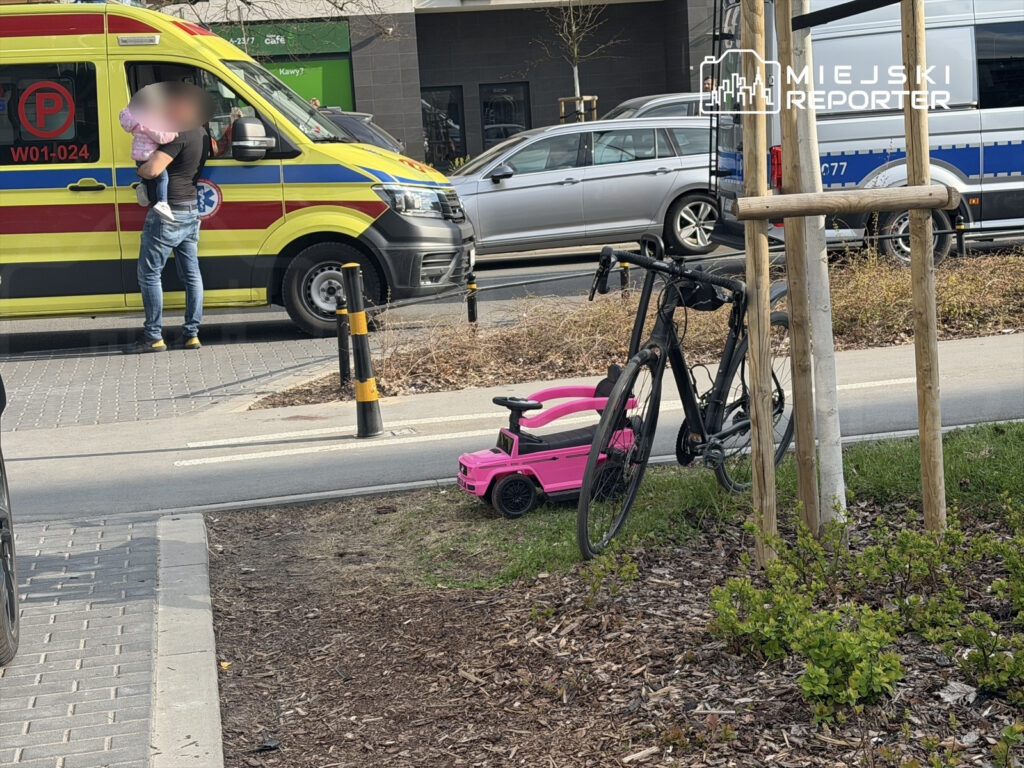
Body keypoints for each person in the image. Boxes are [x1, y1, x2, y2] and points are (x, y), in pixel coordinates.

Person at [127, 85, 210, 354]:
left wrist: (140, 167)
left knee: (150, 274)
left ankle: (153, 336)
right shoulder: (201, 132)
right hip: (190, 208)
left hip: (168, 212)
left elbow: (153, 169)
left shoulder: (177, 134)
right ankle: (192, 334)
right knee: (192, 274)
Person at [119, 103, 177, 223]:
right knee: (163, 178)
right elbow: (161, 138)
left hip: (138, 157)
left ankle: (143, 186)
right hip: (148, 156)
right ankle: (162, 203)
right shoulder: (148, 124)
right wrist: (173, 133)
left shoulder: (134, 121)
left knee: (145, 176)